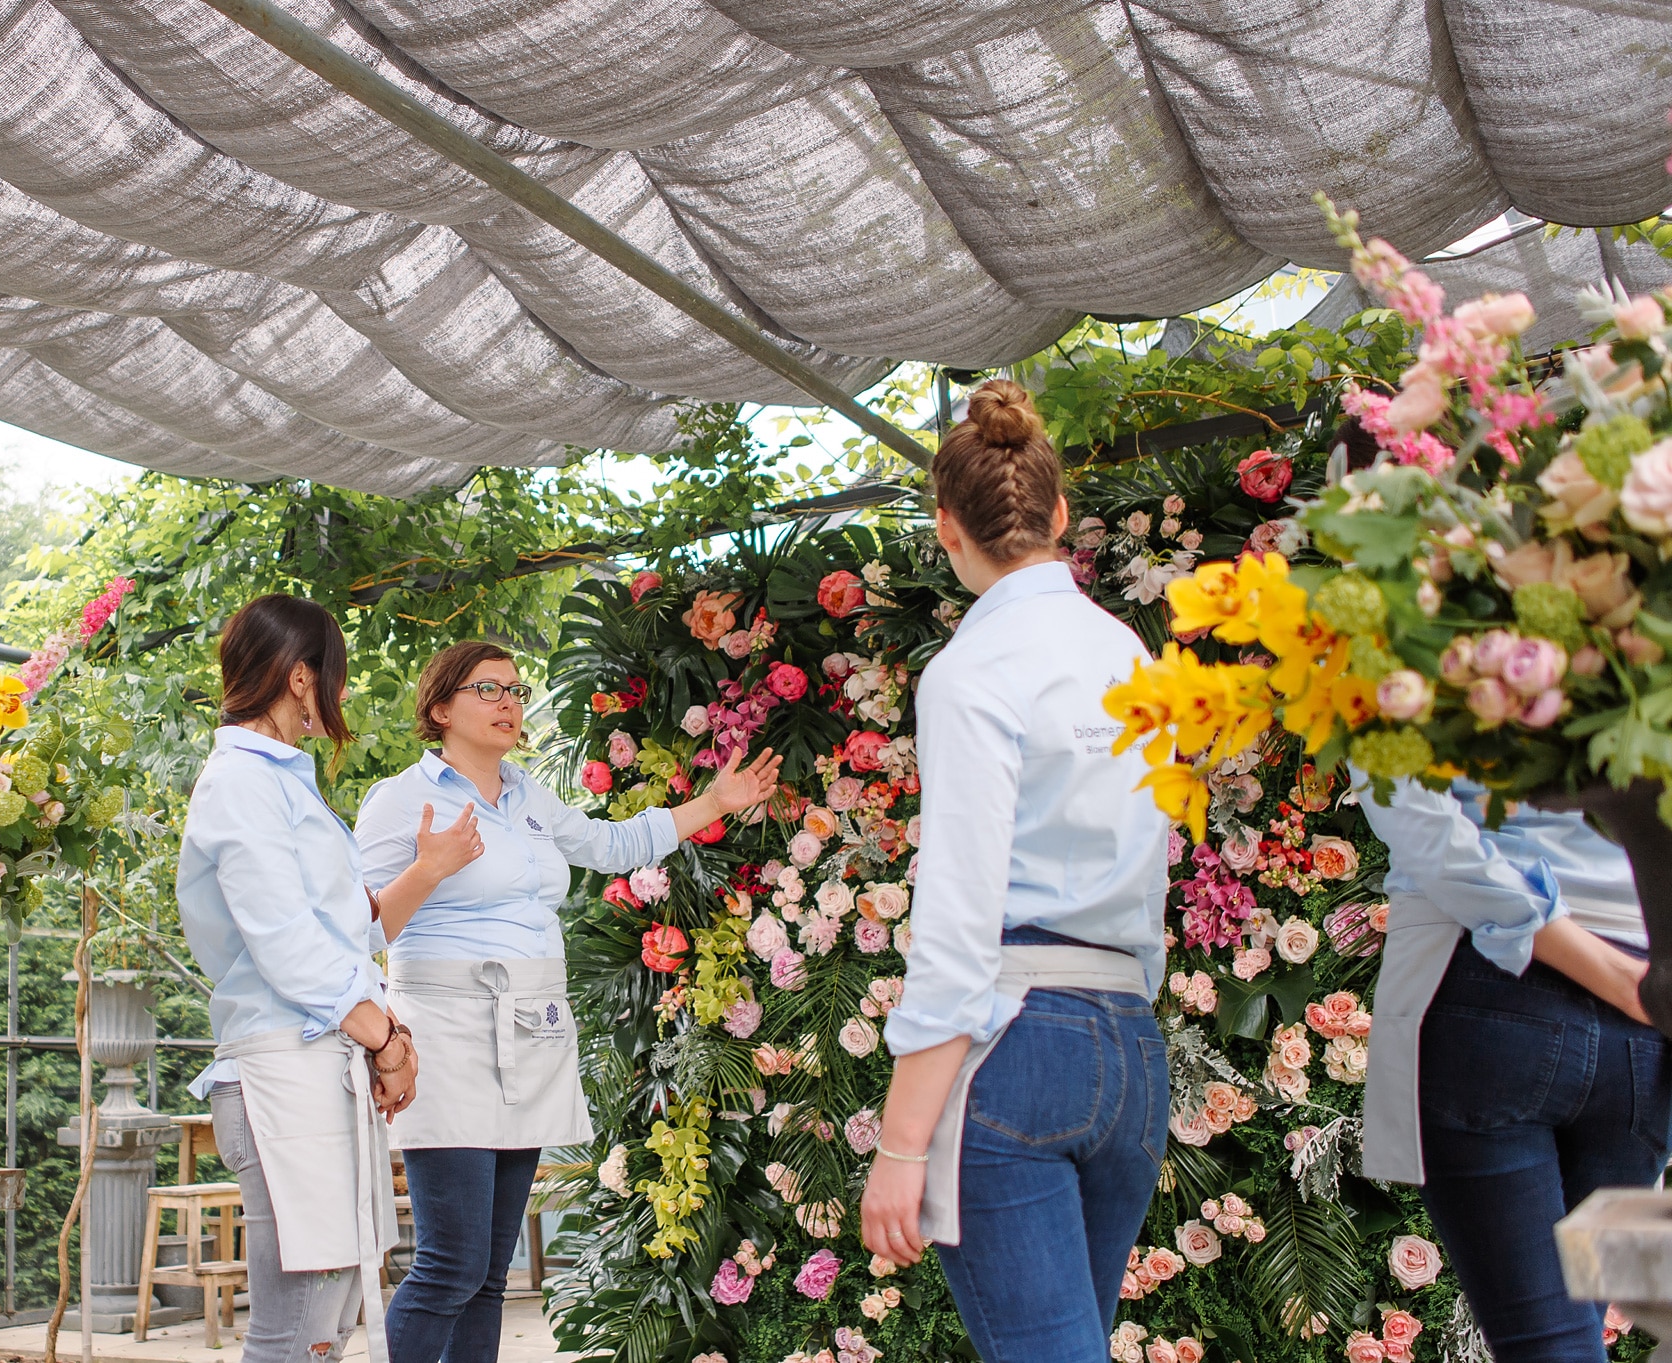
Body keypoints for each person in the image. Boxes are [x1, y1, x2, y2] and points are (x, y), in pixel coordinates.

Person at [354, 640, 782, 1363]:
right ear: (439, 706)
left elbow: (614, 844)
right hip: (446, 1037)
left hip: (532, 1033)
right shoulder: (401, 798)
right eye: (488, 689)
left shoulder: (528, 795)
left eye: (515, 690)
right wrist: (428, 872)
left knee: (491, 1274)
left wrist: (712, 802)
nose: (509, 703)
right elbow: (356, 926)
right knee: (450, 1265)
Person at [857, 381, 1171, 1359]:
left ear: (945, 526)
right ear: (1058, 515)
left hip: (1016, 1039)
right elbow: (1151, 866)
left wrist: (899, 1142)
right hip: (1128, 1041)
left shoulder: (969, 670)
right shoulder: (1128, 653)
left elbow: (956, 913)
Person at [177, 594, 414, 1363]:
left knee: (327, 1319)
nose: (338, 696)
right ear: (303, 678)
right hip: (282, 1068)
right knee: (296, 1332)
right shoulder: (241, 782)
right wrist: (383, 1035)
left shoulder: (281, 779)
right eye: (335, 676)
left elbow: (339, 931)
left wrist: (385, 1034)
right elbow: (284, 939)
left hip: (317, 1066)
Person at [1363, 780, 1667, 1362]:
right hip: (1644, 1006)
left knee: (1551, 1342)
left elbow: (1407, 802)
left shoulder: (1403, 685)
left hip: (1488, 974)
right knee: (1567, 1334)